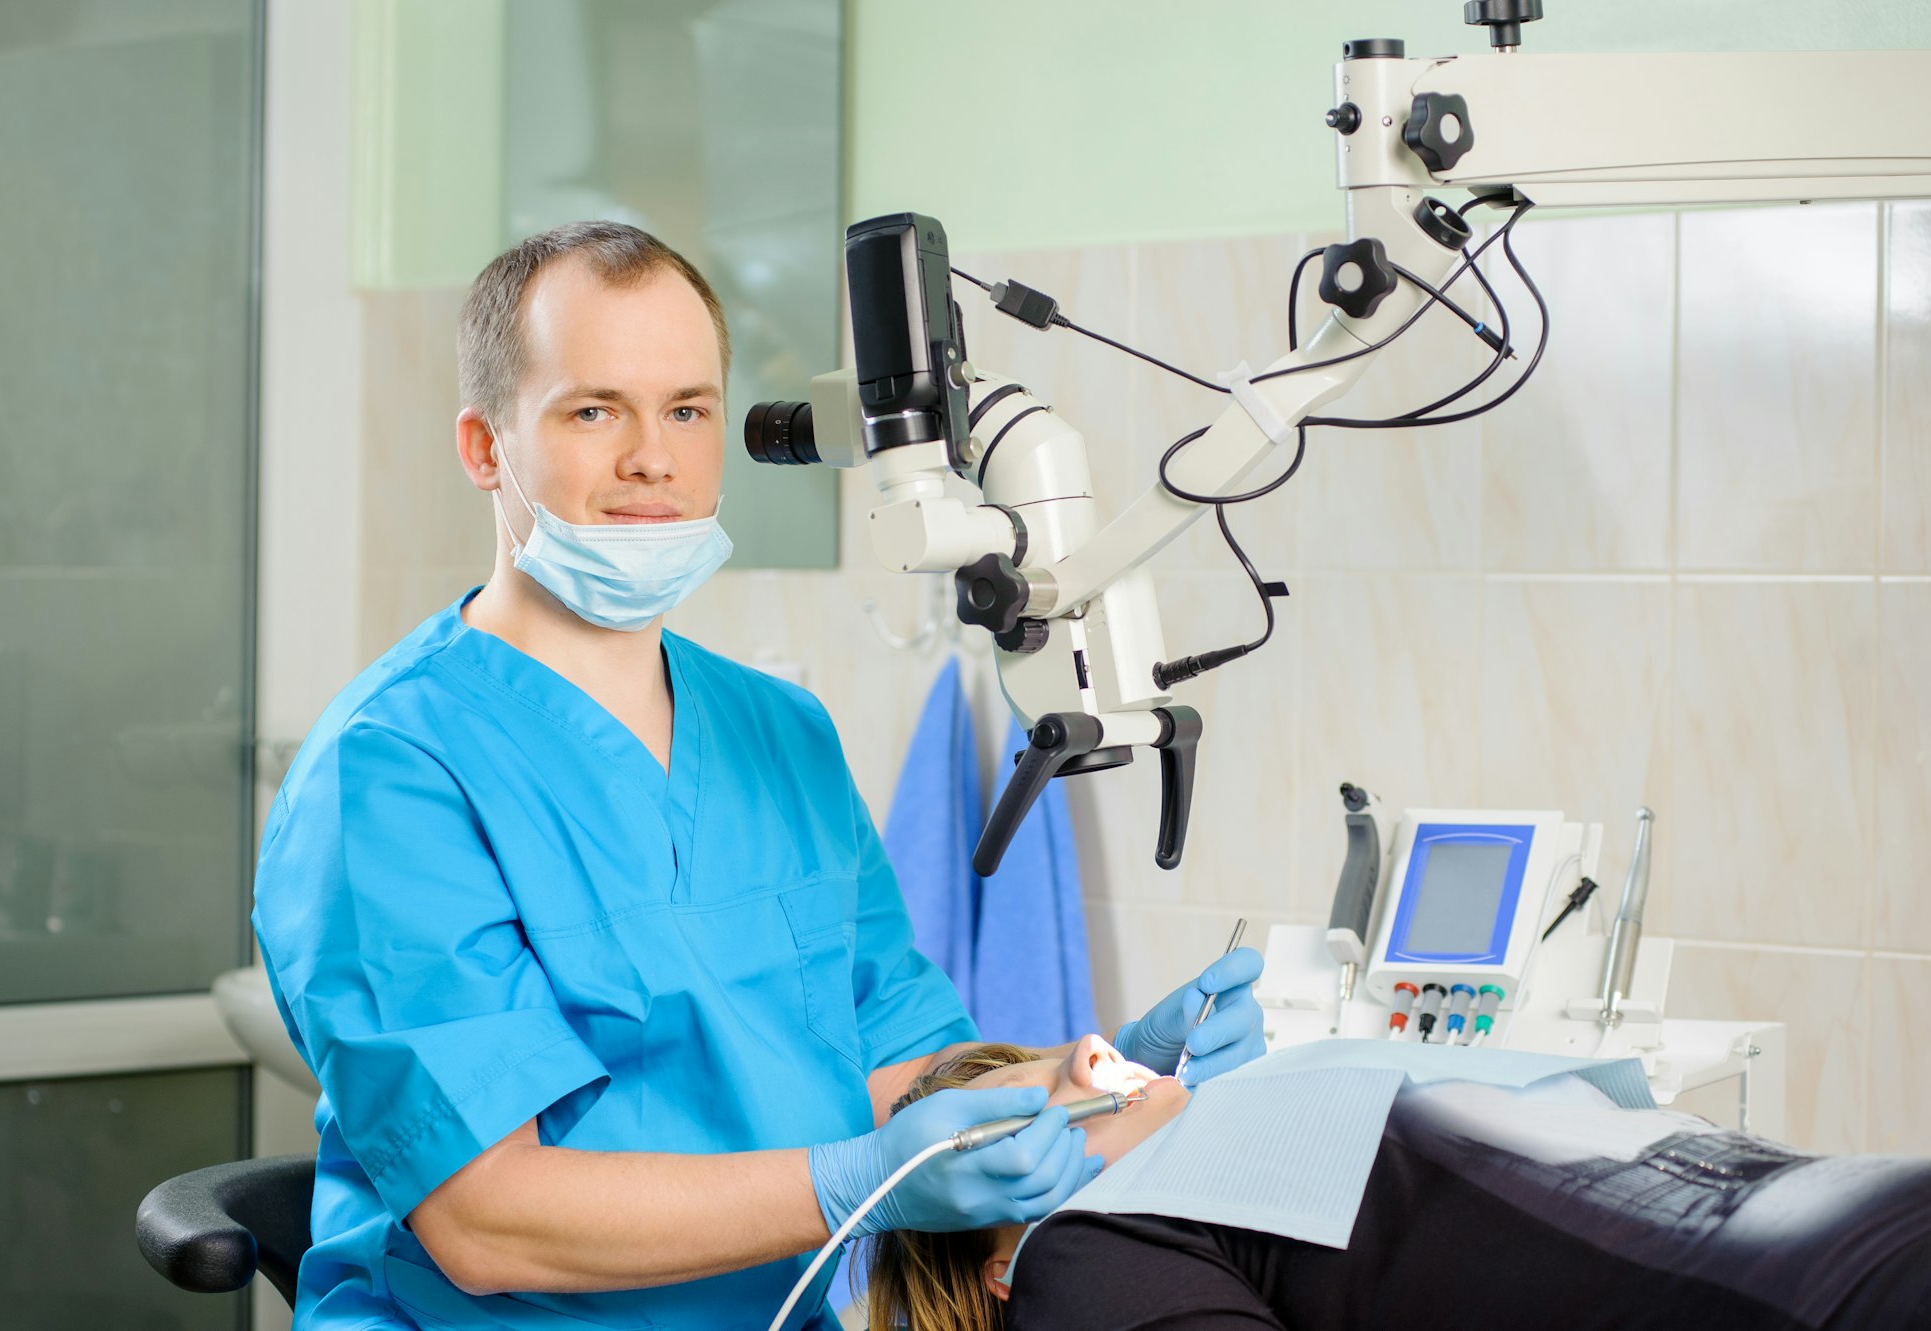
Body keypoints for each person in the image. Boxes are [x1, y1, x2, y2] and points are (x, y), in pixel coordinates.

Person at [249, 219, 1267, 1331]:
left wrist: (1100, 1075)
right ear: (485, 447)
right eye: (595, 410)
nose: (653, 459)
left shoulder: (779, 730)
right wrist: (848, 1181)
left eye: (686, 409)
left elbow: (906, 1070)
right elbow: (486, 1221)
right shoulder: (393, 771)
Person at [862, 1040, 1931, 1331]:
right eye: (1035, 1103)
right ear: (992, 1264)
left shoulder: (1268, 1090)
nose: (1091, 1059)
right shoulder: (1079, 1252)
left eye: (1058, 1050)